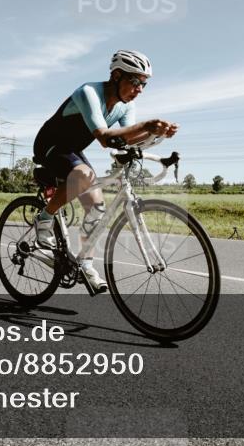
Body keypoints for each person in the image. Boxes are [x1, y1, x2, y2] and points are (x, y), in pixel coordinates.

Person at [31, 50, 178, 293]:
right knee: (84, 176)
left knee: (96, 206)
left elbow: (128, 138)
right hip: (50, 144)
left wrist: (156, 133)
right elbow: (105, 137)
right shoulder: (88, 92)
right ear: (117, 75)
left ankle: (86, 263)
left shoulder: (124, 106)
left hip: (73, 150)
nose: (139, 89)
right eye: (135, 81)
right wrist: (146, 125)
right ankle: (44, 219)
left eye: (144, 84)